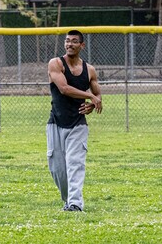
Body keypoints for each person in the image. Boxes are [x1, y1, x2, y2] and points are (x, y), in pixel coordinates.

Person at [47, 29, 102, 212]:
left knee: (75, 164)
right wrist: (89, 96)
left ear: (82, 45)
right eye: (67, 41)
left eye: (74, 41)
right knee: (58, 169)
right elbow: (64, 88)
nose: (69, 44)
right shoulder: (56, 64)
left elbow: (97, 94)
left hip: (78, 124)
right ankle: (68, 200)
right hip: (56, 122)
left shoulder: (89, 70)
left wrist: (93, 104)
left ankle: (75, 204)